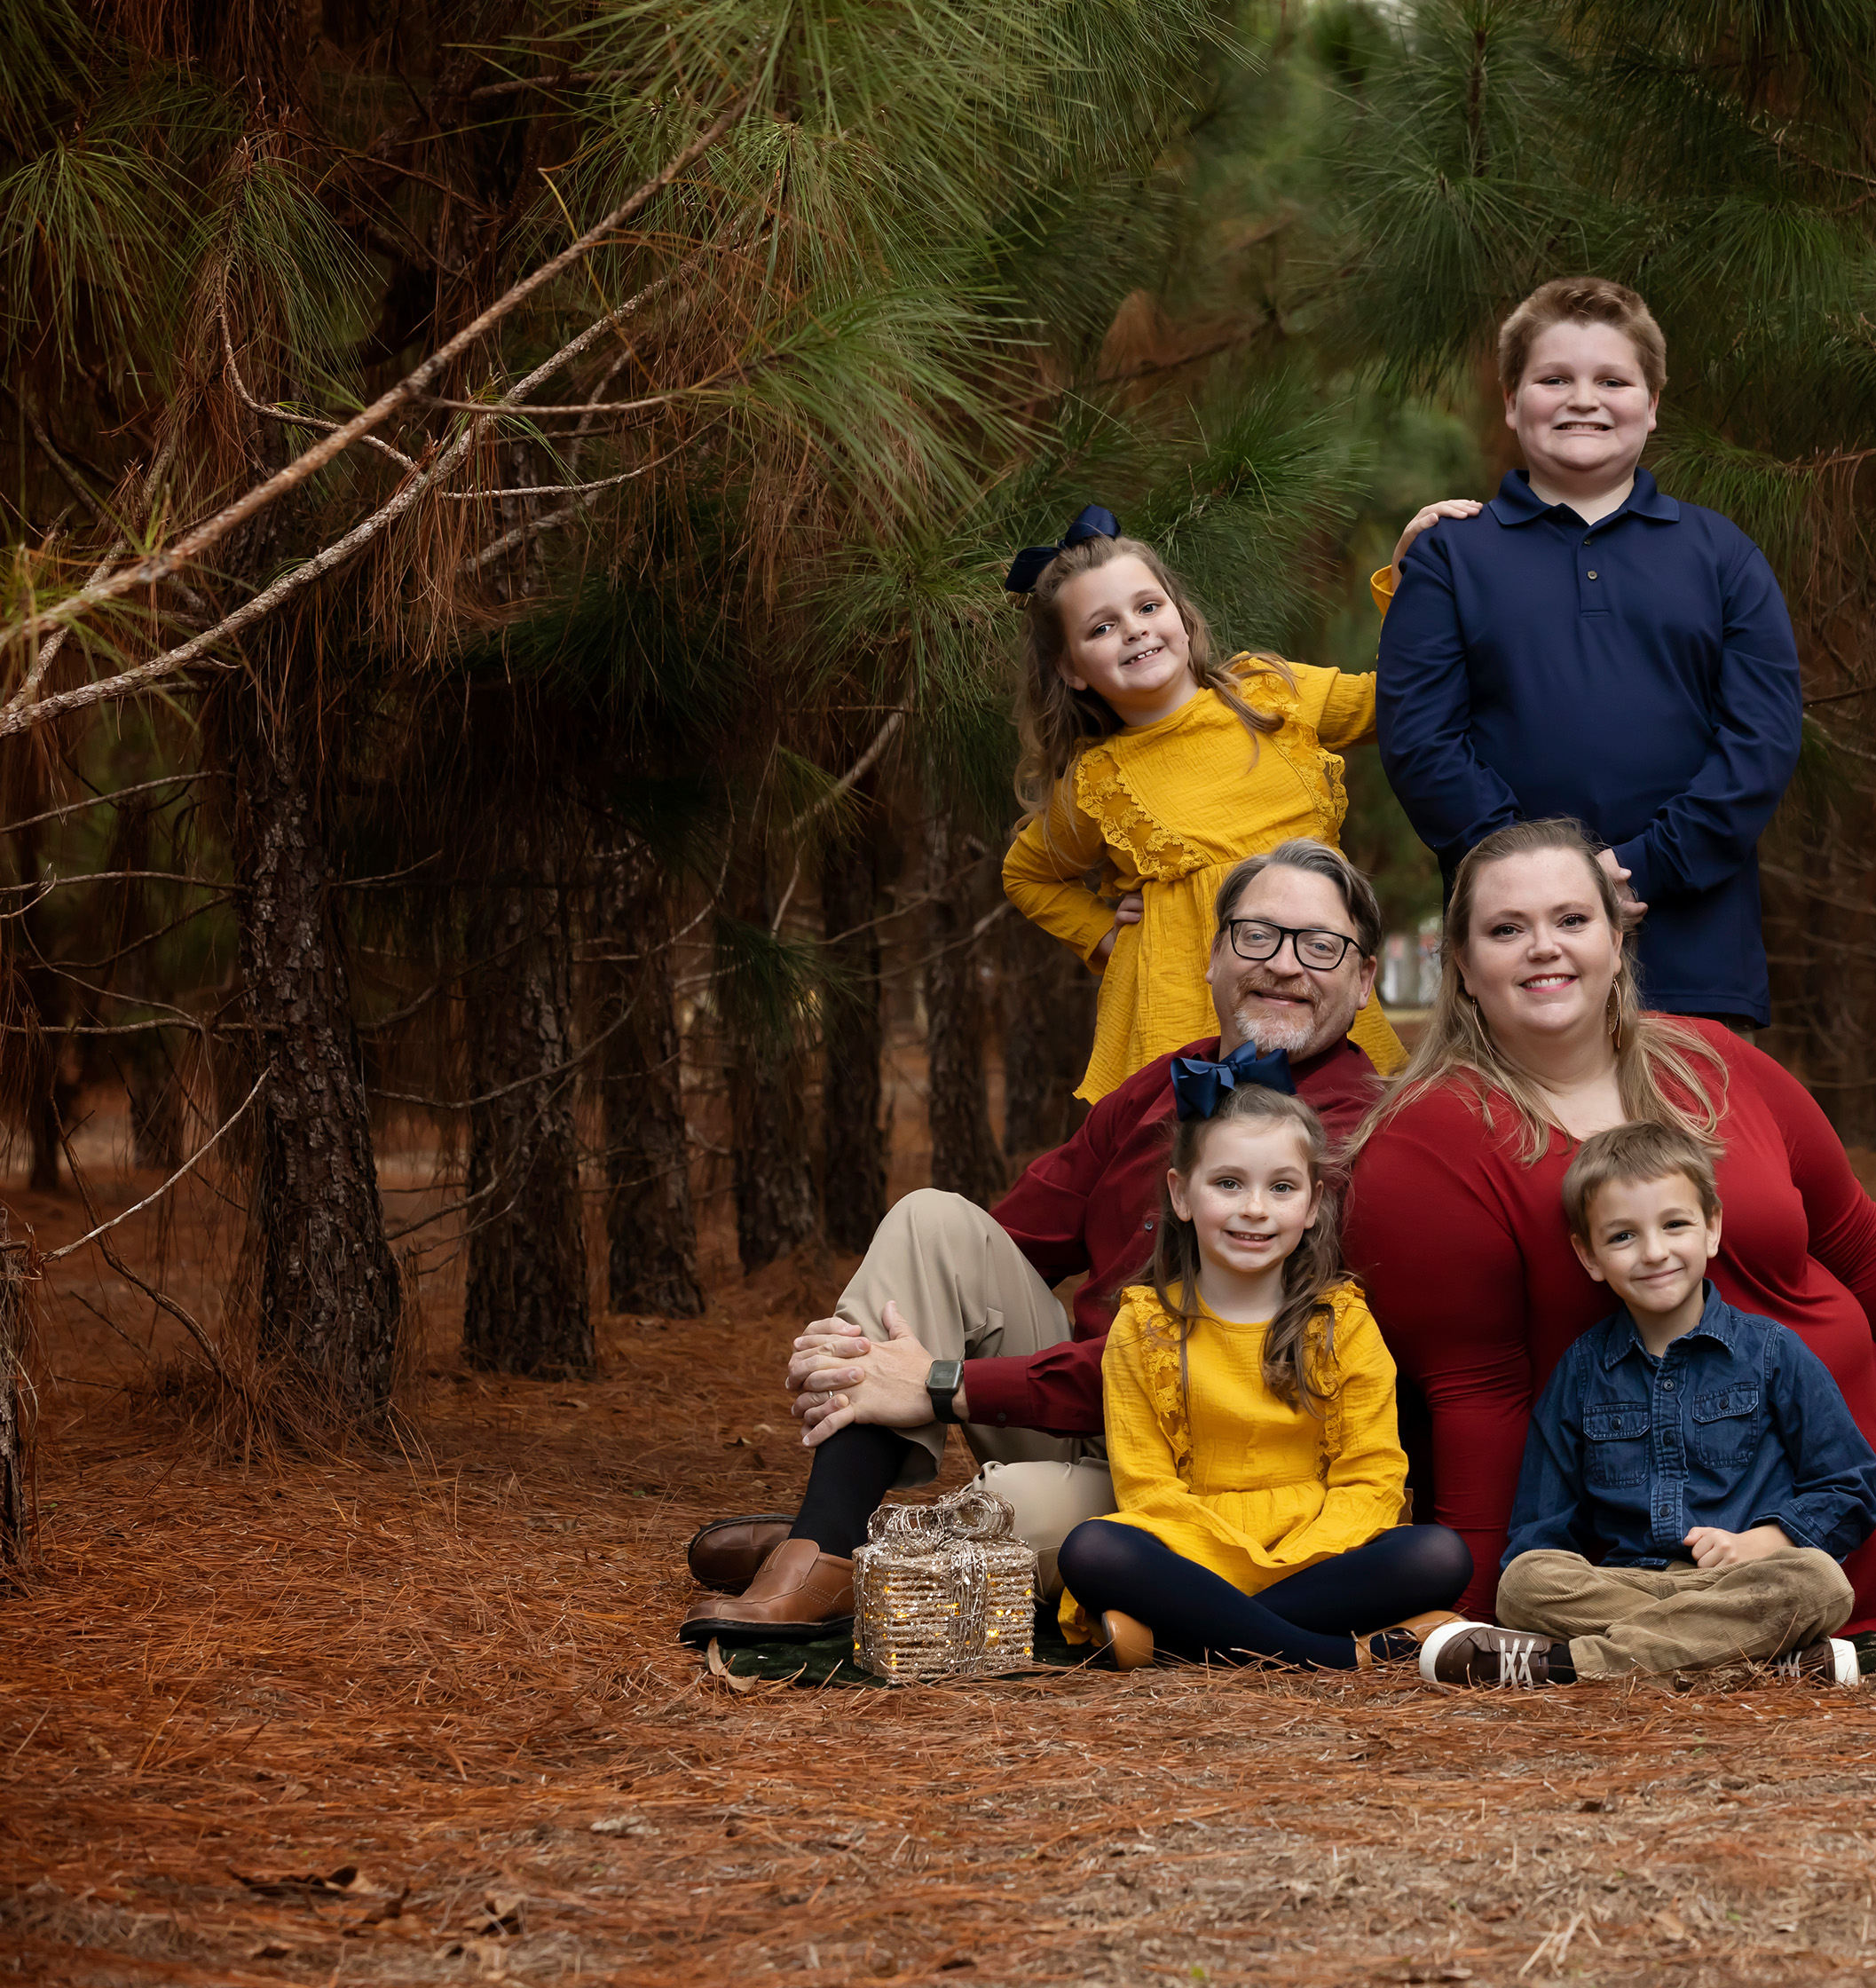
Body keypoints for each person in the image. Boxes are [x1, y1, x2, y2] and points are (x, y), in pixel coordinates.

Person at [1346, 816, 1876, 1636]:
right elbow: (1475, 1396)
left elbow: (1856, 1239)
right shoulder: (1428, 1144)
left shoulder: (1712, 1061)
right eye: (1505, 929)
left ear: (1616, 932)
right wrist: (1477, 1604)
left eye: (1570, 920)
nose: (1543, 948)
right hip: (1704, 1486)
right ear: (1461, 962)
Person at [679, 839, 1391, 1646]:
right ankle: (827, 1542)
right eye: (1255, 935)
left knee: (1015, 1502)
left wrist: (943, 1384)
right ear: (1214, 956)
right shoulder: (1163, 1084)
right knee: (930, 1220)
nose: (1283, 965)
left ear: (1363, 978)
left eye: (1320, 945)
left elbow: (1199, 1357)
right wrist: (882, 1356)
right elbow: (994, 1244)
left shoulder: (1367, 1137)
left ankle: (857, 1545)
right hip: (1081, 1420)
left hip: (1209, 1478)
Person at [1372, 277, 1801, 1028]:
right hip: (1514, 956)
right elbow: (1420, 741)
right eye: (1553, 379)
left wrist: (1637, 869)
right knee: (1522, 1145)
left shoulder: (1721, 555)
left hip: (1690, 954)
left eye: (1612, 379)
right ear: (1510, 401)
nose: (1583, 399)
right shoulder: (1449, 559)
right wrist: (1538, 889)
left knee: (1683, 1146)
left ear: (1653, 402)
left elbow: (1759, 745)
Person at [1420, 1121, 1876, 1689]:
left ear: (1711, 1229)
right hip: (1624, 1584)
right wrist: (1549, 1575)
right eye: (1622, 1237)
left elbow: (1849, 1485)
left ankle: (1565, 1667)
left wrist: (1765, 1541)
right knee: (1523, 1584)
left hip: (1742, 1582)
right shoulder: (1582, 1372)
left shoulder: (1773, 1353)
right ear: (1588, 1256)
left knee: (1817, 1582)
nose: (1654, 1252)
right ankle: (1759, 1661)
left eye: (1675, 1224)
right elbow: (1541, 1532)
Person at [1000, 505, 1412, 1101]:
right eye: (1100, 627)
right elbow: (1026, 874)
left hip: (1315, 983)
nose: (1134, 629)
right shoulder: (1099, 781)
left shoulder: (1268, 695)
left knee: (1348, 1152)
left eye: (1147, 607)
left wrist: (1405, 582)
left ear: (1181, 616)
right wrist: (1103, 934)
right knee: (1201, 1174)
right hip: (1182, 1019)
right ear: (1071, 669)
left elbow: (1395, 700)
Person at [1054, 1083, 1471, 1671]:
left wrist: (1297, 1555)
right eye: (1228, 1183)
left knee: (1436, 1554)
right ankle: (1336, 1656)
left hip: (1320, 1551)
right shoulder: (1143, 1327)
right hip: (1190, 1548)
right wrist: (1235, 1561)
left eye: (1281, 1187)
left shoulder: (1343, 1323)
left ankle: (1176, 1640)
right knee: (1094, 1550)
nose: (1255, 1208)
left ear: (1311, 1204)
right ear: (1180, 1193)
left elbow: (1371, 1476)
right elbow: (1146, 1486)